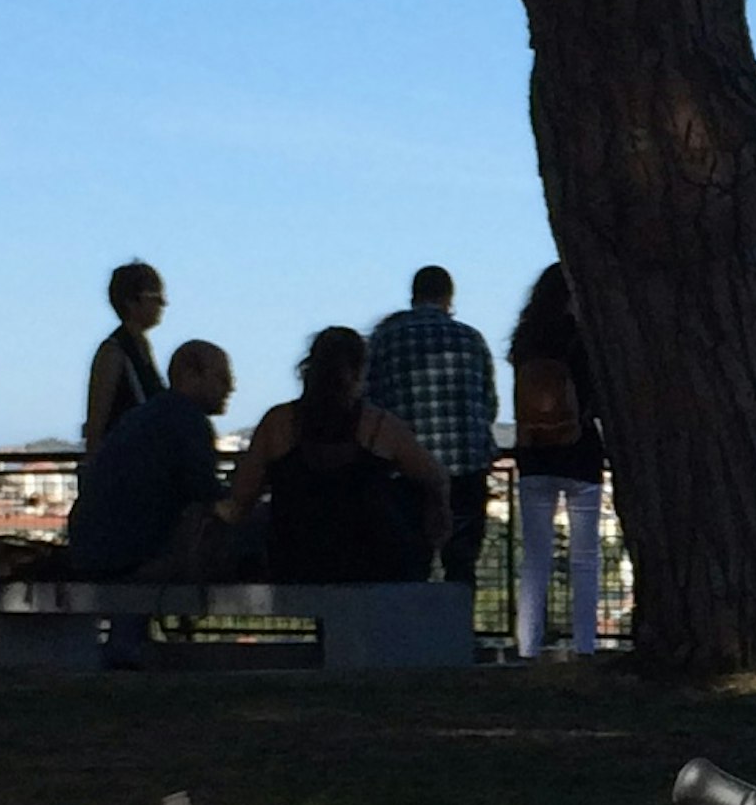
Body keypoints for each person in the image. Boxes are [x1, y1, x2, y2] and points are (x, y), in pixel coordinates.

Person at [222, 328, 445, 582]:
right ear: (360, 372)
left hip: (293, 562)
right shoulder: (380, 426)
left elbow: (242, 498)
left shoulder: (278, 423)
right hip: (371, 565)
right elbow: (434, 477)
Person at [65, 340, 235, 664]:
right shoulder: (187, 421)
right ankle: (131, 646)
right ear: (190, 374)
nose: (230, 387)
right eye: (222, 377)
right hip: (129, 552)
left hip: (95, 544)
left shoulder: (148, 417)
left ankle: (127, 642)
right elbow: (207, 492)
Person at [362, 264, 500, 598]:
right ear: (449, 297)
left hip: (404, 469)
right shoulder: (471, 338)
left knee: (410, 561)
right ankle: (459, 638)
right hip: (465, 466)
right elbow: (489, 404)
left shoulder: (384, 339)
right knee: (461, 562)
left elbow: (369, 403)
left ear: (413, 296)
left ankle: (410, 639)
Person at [506, 263, 609, 661]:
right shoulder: (583, 338)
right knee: (585, 556)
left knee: (535, 558)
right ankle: (585, 645)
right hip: (580, 450)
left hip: (532, 453)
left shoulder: (525, 341)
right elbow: (597, 393)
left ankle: (527, 645)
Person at [82, 263, 166, 455]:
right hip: (126, 467)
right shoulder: (113, 352)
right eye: (155, 297)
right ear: (131, 302)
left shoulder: (138, 347)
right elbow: (97, 424)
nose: (162, 304)